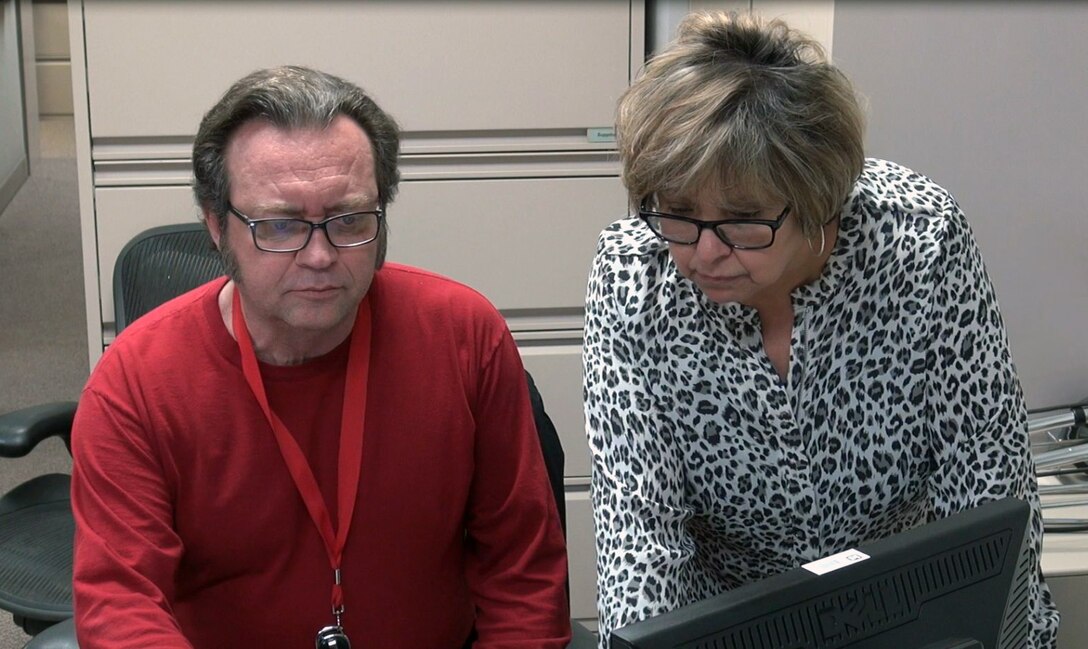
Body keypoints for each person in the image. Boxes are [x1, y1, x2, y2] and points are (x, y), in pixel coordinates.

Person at [582, 11, 1059, 648]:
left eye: (743, 218)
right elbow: (639, 540)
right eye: (678, 212)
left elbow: (989, 492)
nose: (702, 251)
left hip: (916, 613)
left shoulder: (918, 243)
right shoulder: (632, 276)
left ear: (817, 199)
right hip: (733, 627)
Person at [70, 65, 571, 648]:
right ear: (215, 225)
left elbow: (524, 574)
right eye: (280, 225)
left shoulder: (464, 335)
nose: (319, 255)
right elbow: (121, 606)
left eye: (349, 219)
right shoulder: (136, 381)